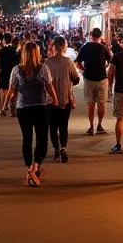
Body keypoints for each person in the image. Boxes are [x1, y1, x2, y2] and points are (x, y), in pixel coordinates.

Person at [1, 40, 58, 187]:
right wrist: (55, 99)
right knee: (42, 139)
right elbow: (49, 86)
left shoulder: (16, 70)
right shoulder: (43, 68)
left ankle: (29, 167)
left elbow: (11, 90)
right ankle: (36, 166)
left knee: (27, 138)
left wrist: (4, 107)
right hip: (40, 107)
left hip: (23, 108)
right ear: (37, 53)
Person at [44, 35, 80, 163]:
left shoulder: (47, 62)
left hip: (50, 100)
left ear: (54, 46)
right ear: (64, 46)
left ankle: (56, 149)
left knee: (53, 126)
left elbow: (43, 81)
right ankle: (63, 148)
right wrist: (67, 82)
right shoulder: (68, 62)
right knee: (63, 125)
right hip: (66, 98)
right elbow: (76, 78)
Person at [76, 27, 111, 135]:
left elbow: (78, 63)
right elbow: (110, 62)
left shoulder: (85, 47)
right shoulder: (104, 48)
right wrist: (104, 66)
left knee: (91, 104)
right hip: (102, 79)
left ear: (91, 35)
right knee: (101, 104)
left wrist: (84, 70)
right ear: (100, 36)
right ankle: (100, 125)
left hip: (89, 79)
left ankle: (91, 127)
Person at [0, 34, 19, 116]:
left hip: (4, 72)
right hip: (14, 72)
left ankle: (3, 108)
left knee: (4, 91)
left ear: (4, 40)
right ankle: (12, 108)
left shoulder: (1, 50)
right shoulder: (15, 51)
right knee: (13, 91)